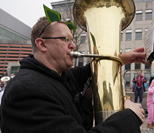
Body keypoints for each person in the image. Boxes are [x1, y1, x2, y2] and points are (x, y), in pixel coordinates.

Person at [1, 17, 146, 133]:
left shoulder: (55, 75)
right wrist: (130, 116)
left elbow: (82, 73)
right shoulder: (27, 91)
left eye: (72, 40)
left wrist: (121, 59)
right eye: (65, 39)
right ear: (42, 44)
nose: (73, 46)